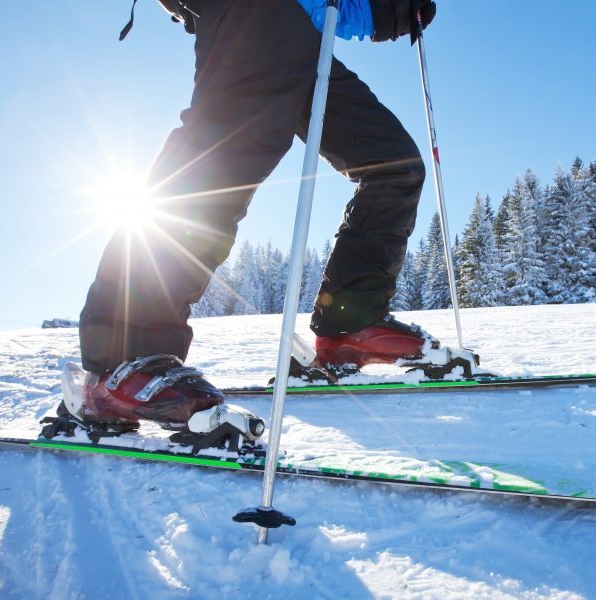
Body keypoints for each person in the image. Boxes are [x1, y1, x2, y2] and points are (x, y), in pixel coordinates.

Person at [65, 0, 441, 431]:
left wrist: (388, 10)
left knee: (393, 166)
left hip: (306, 33)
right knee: (219, 162)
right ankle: (122, 362)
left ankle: (349, 325)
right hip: (253, 13)